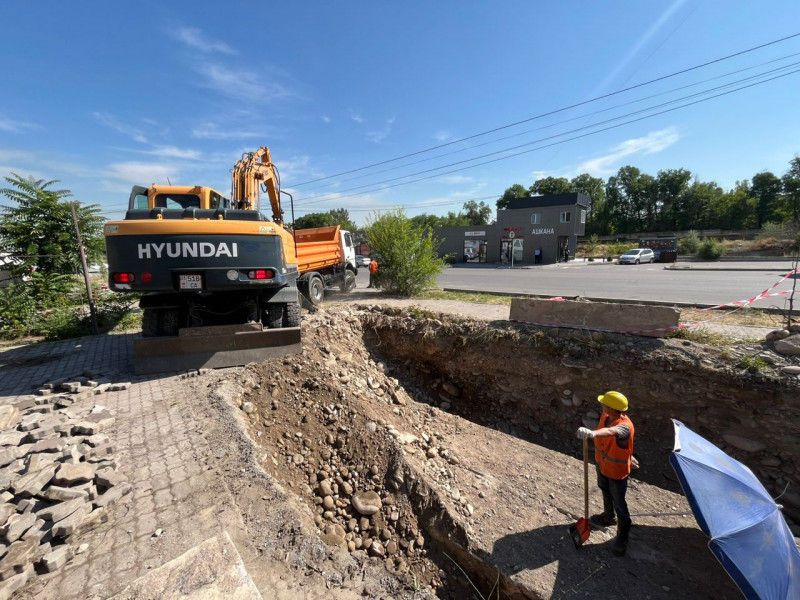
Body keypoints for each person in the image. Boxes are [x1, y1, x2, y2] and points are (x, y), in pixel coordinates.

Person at [576, 391, 635, 557]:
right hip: (603, 465)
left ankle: (622, 537)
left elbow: (612, 432)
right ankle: (609, 517)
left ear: (612, 408)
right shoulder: (605, 416)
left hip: (616, 472)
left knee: (620, 504)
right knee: (604, 490)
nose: (602, 405)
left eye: (604, 403)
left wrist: (593, 434)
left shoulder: (624, 425)